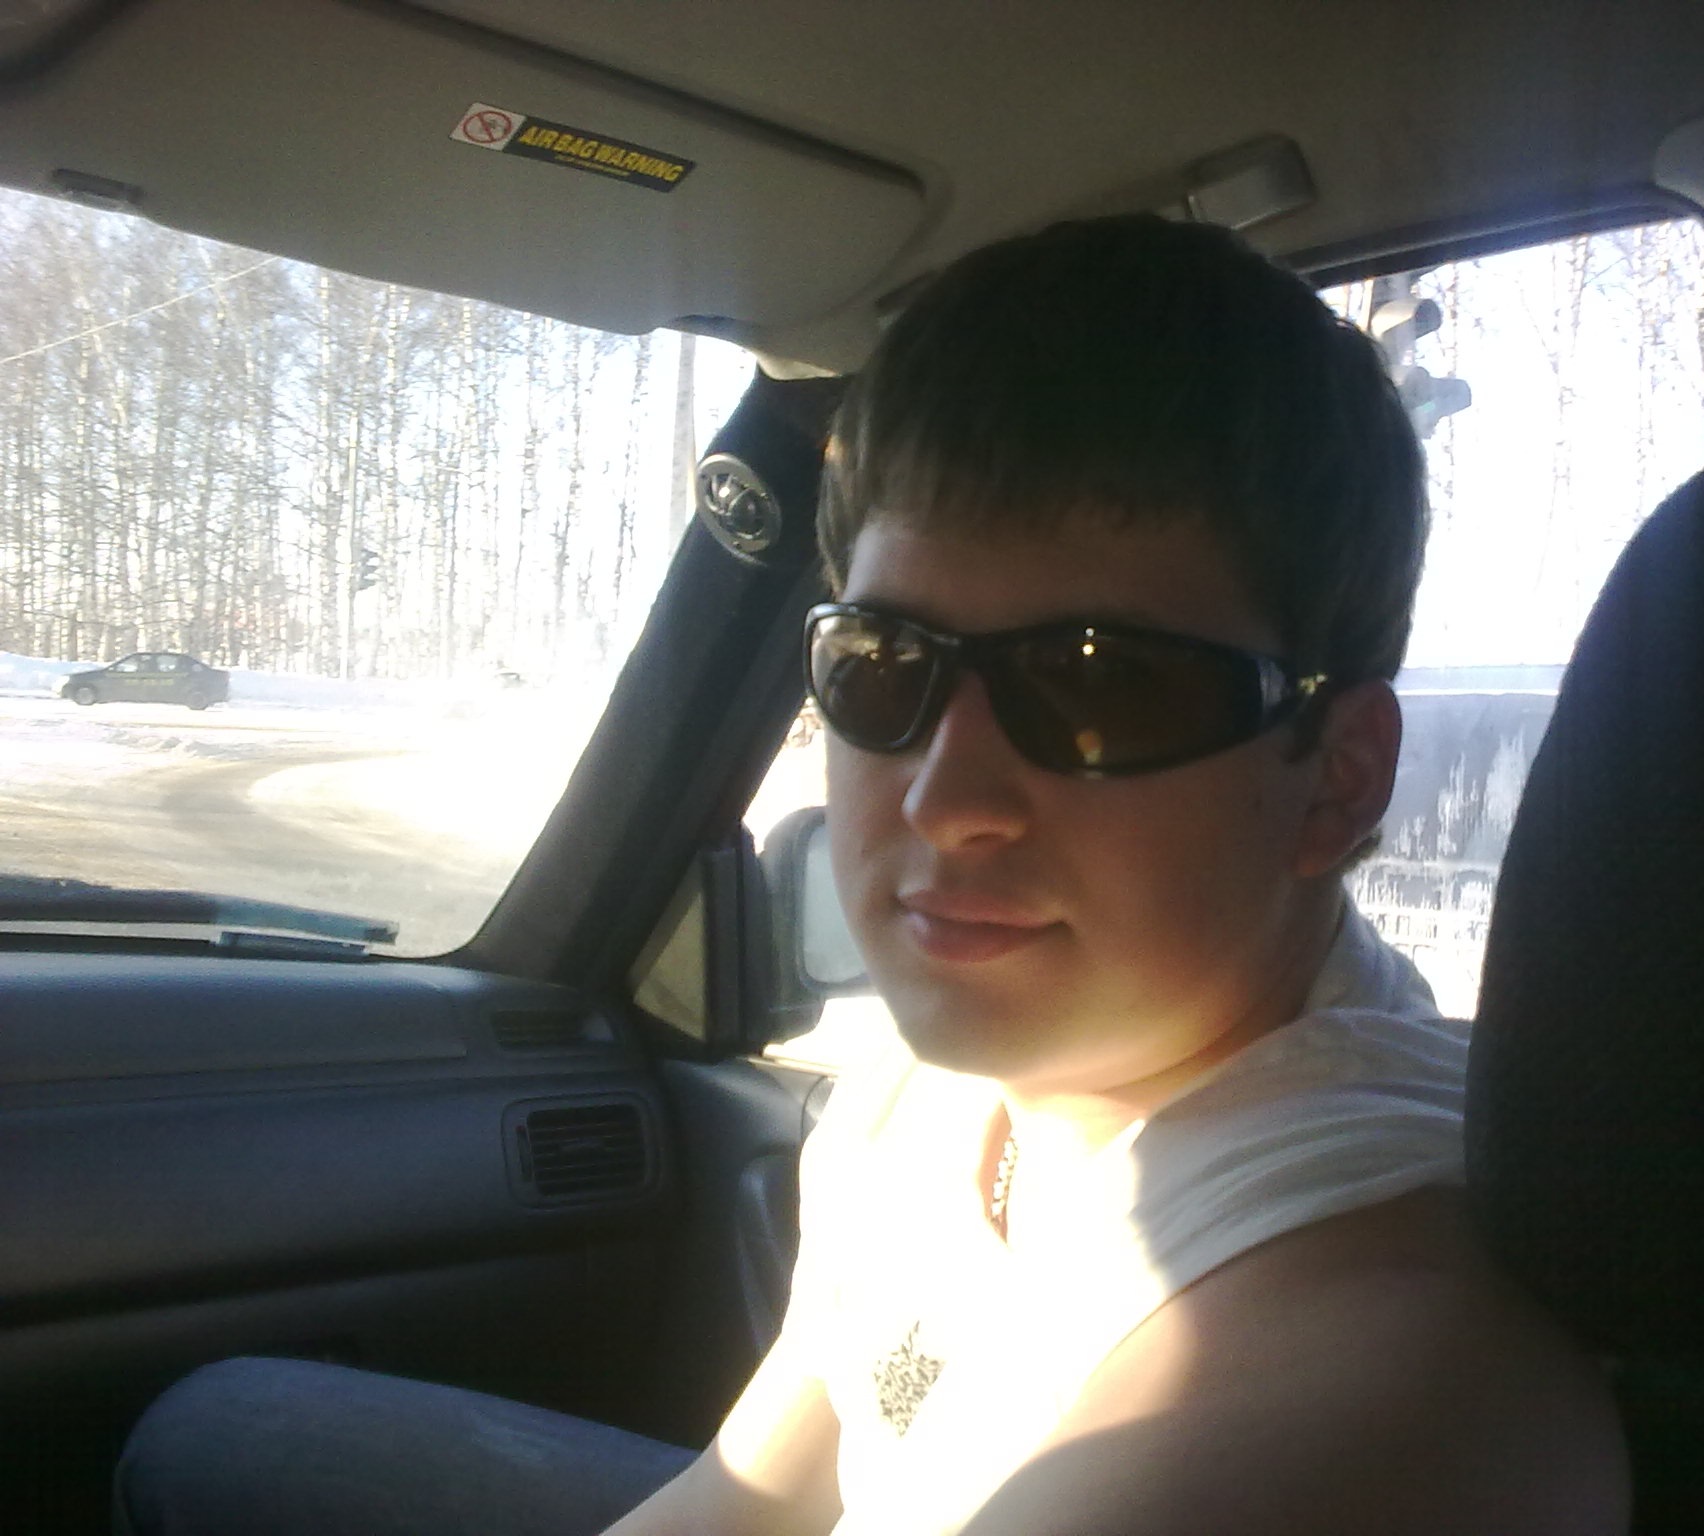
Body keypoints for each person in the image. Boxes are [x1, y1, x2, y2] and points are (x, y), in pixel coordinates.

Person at [115, 215, 1625, 1536]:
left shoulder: (1357, 1377)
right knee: (220, 1427)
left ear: (1337, 778)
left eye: (1098, 684)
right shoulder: (949, 1092)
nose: (945, 799)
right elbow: (753, 1499)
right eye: (883, 666)